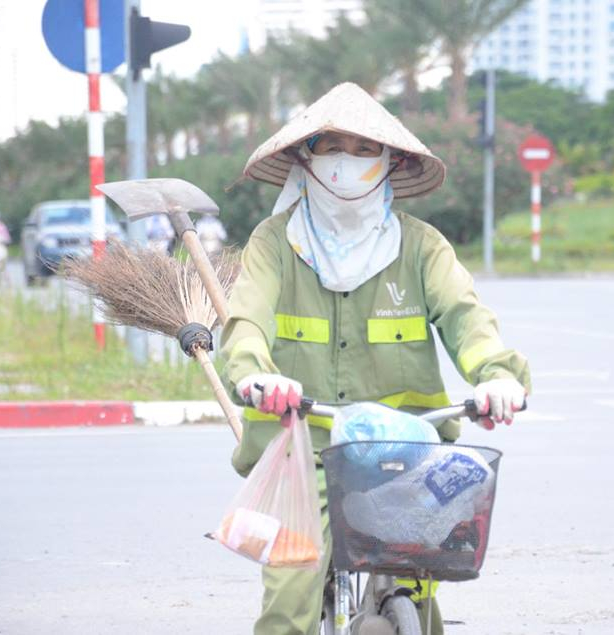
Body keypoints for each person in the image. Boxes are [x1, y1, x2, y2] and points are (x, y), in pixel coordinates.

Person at [220, 82, 531, 635]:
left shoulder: (421, 247)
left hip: (407, 454)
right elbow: (245, 322)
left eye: (366, 149)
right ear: (305, 158)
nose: (348, 161)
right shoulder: (273, 244)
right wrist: (255, 375)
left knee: (423, 596)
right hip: (303, 452)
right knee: (290, 596)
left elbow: (468, 319)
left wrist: (497, 377)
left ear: (390, 162)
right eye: (333, 146)